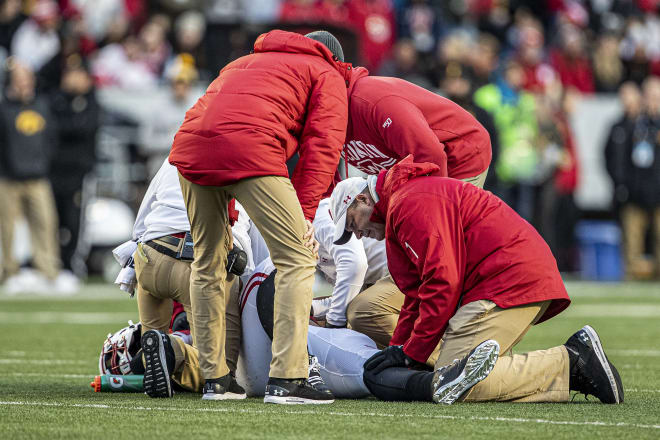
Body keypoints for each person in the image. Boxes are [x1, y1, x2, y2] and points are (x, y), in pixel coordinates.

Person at [329, 156, 623, 404]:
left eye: (353, 223)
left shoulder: (408, 203)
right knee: (451, 376)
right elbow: (416, 295)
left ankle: (572, 362)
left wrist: (411, 353)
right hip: (502, 276)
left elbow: (442, 282)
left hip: (508, 277)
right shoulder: (404, 202)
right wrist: (400, 349)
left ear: (364, 199)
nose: (356, 234)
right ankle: (547, 361)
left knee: (454, 383)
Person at [169, 29, 350, 404]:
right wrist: (304, 217)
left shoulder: (243, 61)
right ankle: (288, 378)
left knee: (207, 260)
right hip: (251, 149)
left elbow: (218, 121)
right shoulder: (326, 73)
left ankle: (215, 379)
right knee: (298, 260)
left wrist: (232, 205)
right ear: (335, 57)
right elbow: (322, 149)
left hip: (190, 147)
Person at [112, 159, 260, 398]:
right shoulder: (247, 157)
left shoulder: (175, 154)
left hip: (149, 256)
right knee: (218, 373)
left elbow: (141, 222)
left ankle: (160, 352)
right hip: (199, 263)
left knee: (155, 344)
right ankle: (174, 350)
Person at [236, 257, 378, 399]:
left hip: (251, 368)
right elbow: (354, 263)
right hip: (267, 357)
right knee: (369, 364)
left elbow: (354, 264)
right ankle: (298, 369)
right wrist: (333, 322)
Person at [344, 65, 491, 188]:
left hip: (459, 154)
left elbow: (431, 156)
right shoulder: (328, 120)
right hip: (416, 171)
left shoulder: (375, 101)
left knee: (436, 217)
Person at [0, 63, 61, 289]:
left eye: (27, 78)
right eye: (20, 79)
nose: (25, 83)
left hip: (37, 176)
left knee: (46, 222)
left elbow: (51, 139)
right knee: (7, 227)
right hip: (8, 178)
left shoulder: (42, 106)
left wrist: (43, 163)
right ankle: (8, 271)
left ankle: (48, 271)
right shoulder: (3, 108)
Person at [49, 57, 99, 277]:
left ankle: (73, 263)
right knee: (54, 218)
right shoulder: (56, 100)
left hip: (79, 171)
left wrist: (68, 124)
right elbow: (53, 127)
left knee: (75, 218)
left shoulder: (92, 101)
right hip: (55, 169)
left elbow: (84, 128)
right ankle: (55, 262)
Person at [311, 197, 389, 329]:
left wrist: (334, 323)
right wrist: (313, 308)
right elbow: (349, 298)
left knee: (360, 314)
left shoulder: (319, 216)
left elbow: (355, 264)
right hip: (383, 282)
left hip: (405, 275)